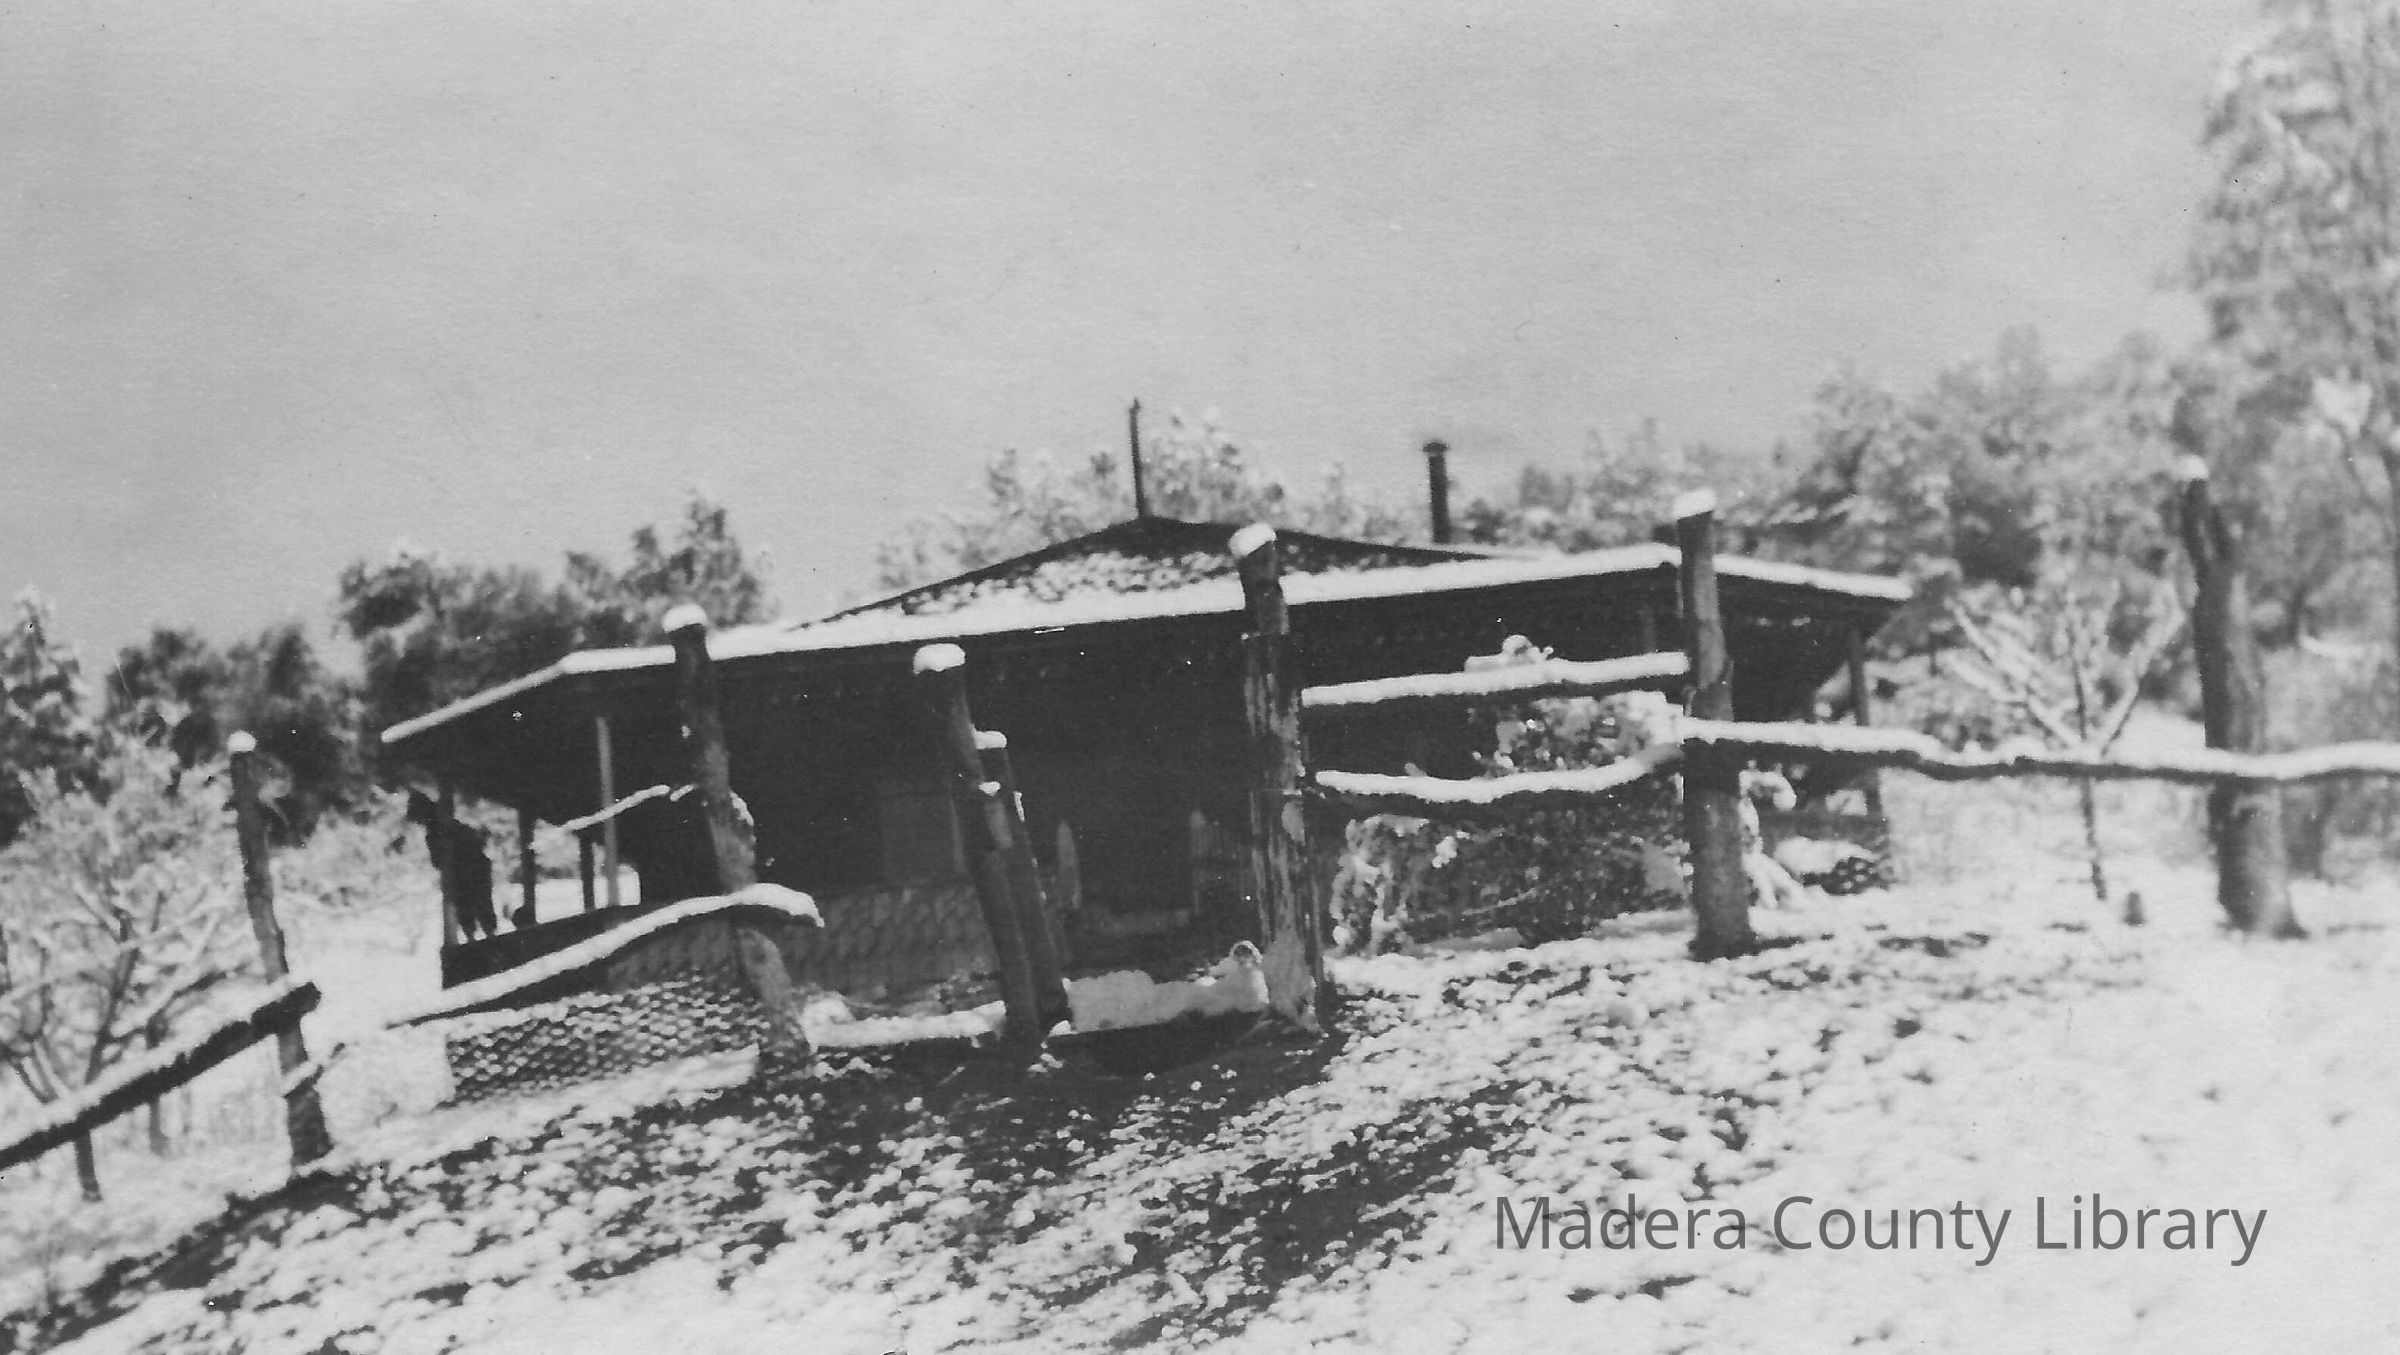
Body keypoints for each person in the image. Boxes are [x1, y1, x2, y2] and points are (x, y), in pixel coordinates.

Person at [405, 791, 498, 940]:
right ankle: (479, 935)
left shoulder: (441, 829)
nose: (418, 822)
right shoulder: (438, 830)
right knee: (471, 905)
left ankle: (482, 934)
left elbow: (441, 859)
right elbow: (438, 860)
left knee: (474, 903)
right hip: (465, 872)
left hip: (468, 871)